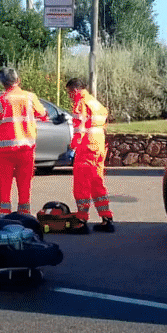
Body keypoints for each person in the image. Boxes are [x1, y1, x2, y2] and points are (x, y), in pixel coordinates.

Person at [0, 66, 48, 214]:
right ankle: (24, 216)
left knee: (5, 189)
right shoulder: (30, 97)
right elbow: (43, 115)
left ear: (2, 83)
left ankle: (4, 217)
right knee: (24, 187)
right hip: (26, 150)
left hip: (5, 152)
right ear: (18, 80)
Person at [66, 77, 114, 232]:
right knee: (97, 182)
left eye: (69, 93)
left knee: (81, 184)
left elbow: (79, 129)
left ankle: (81, 220)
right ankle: (106, 218)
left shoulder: (81, 103)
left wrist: (73, 148)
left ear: (75, 90)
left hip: (86, 147)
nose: (69, 96)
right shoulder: (95, 102)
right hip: (99, 146)